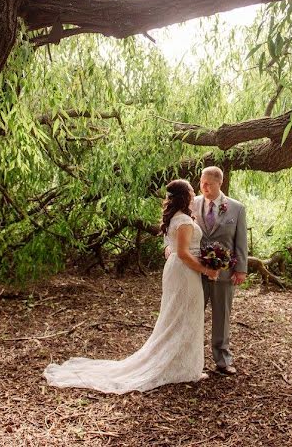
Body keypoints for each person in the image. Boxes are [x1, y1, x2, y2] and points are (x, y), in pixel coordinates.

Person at [42, 179, 219, 394]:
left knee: (179, 315)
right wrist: (207, 269)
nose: (194, 193)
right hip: (184, 272)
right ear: (185, 196)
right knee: (182, 316)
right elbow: (182, 253)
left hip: (179, 270)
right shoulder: (182, 220)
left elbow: (171, 249)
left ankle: (183, 363)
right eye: (191, 190)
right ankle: (181, 367)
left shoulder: (176, 218)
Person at [192, 166, 248, 374]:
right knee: (193, 314)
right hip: (195, 270)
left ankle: (223, 360)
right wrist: (169, 247)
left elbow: (241, 241)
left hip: (223, 272)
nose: (203, 187)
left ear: (219, 183)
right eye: (201, 183)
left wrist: (241, 269)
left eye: (208, 184)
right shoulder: (192, 203)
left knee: (221, 316)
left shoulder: (236, 208)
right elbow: (175, 226)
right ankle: (193, 358)